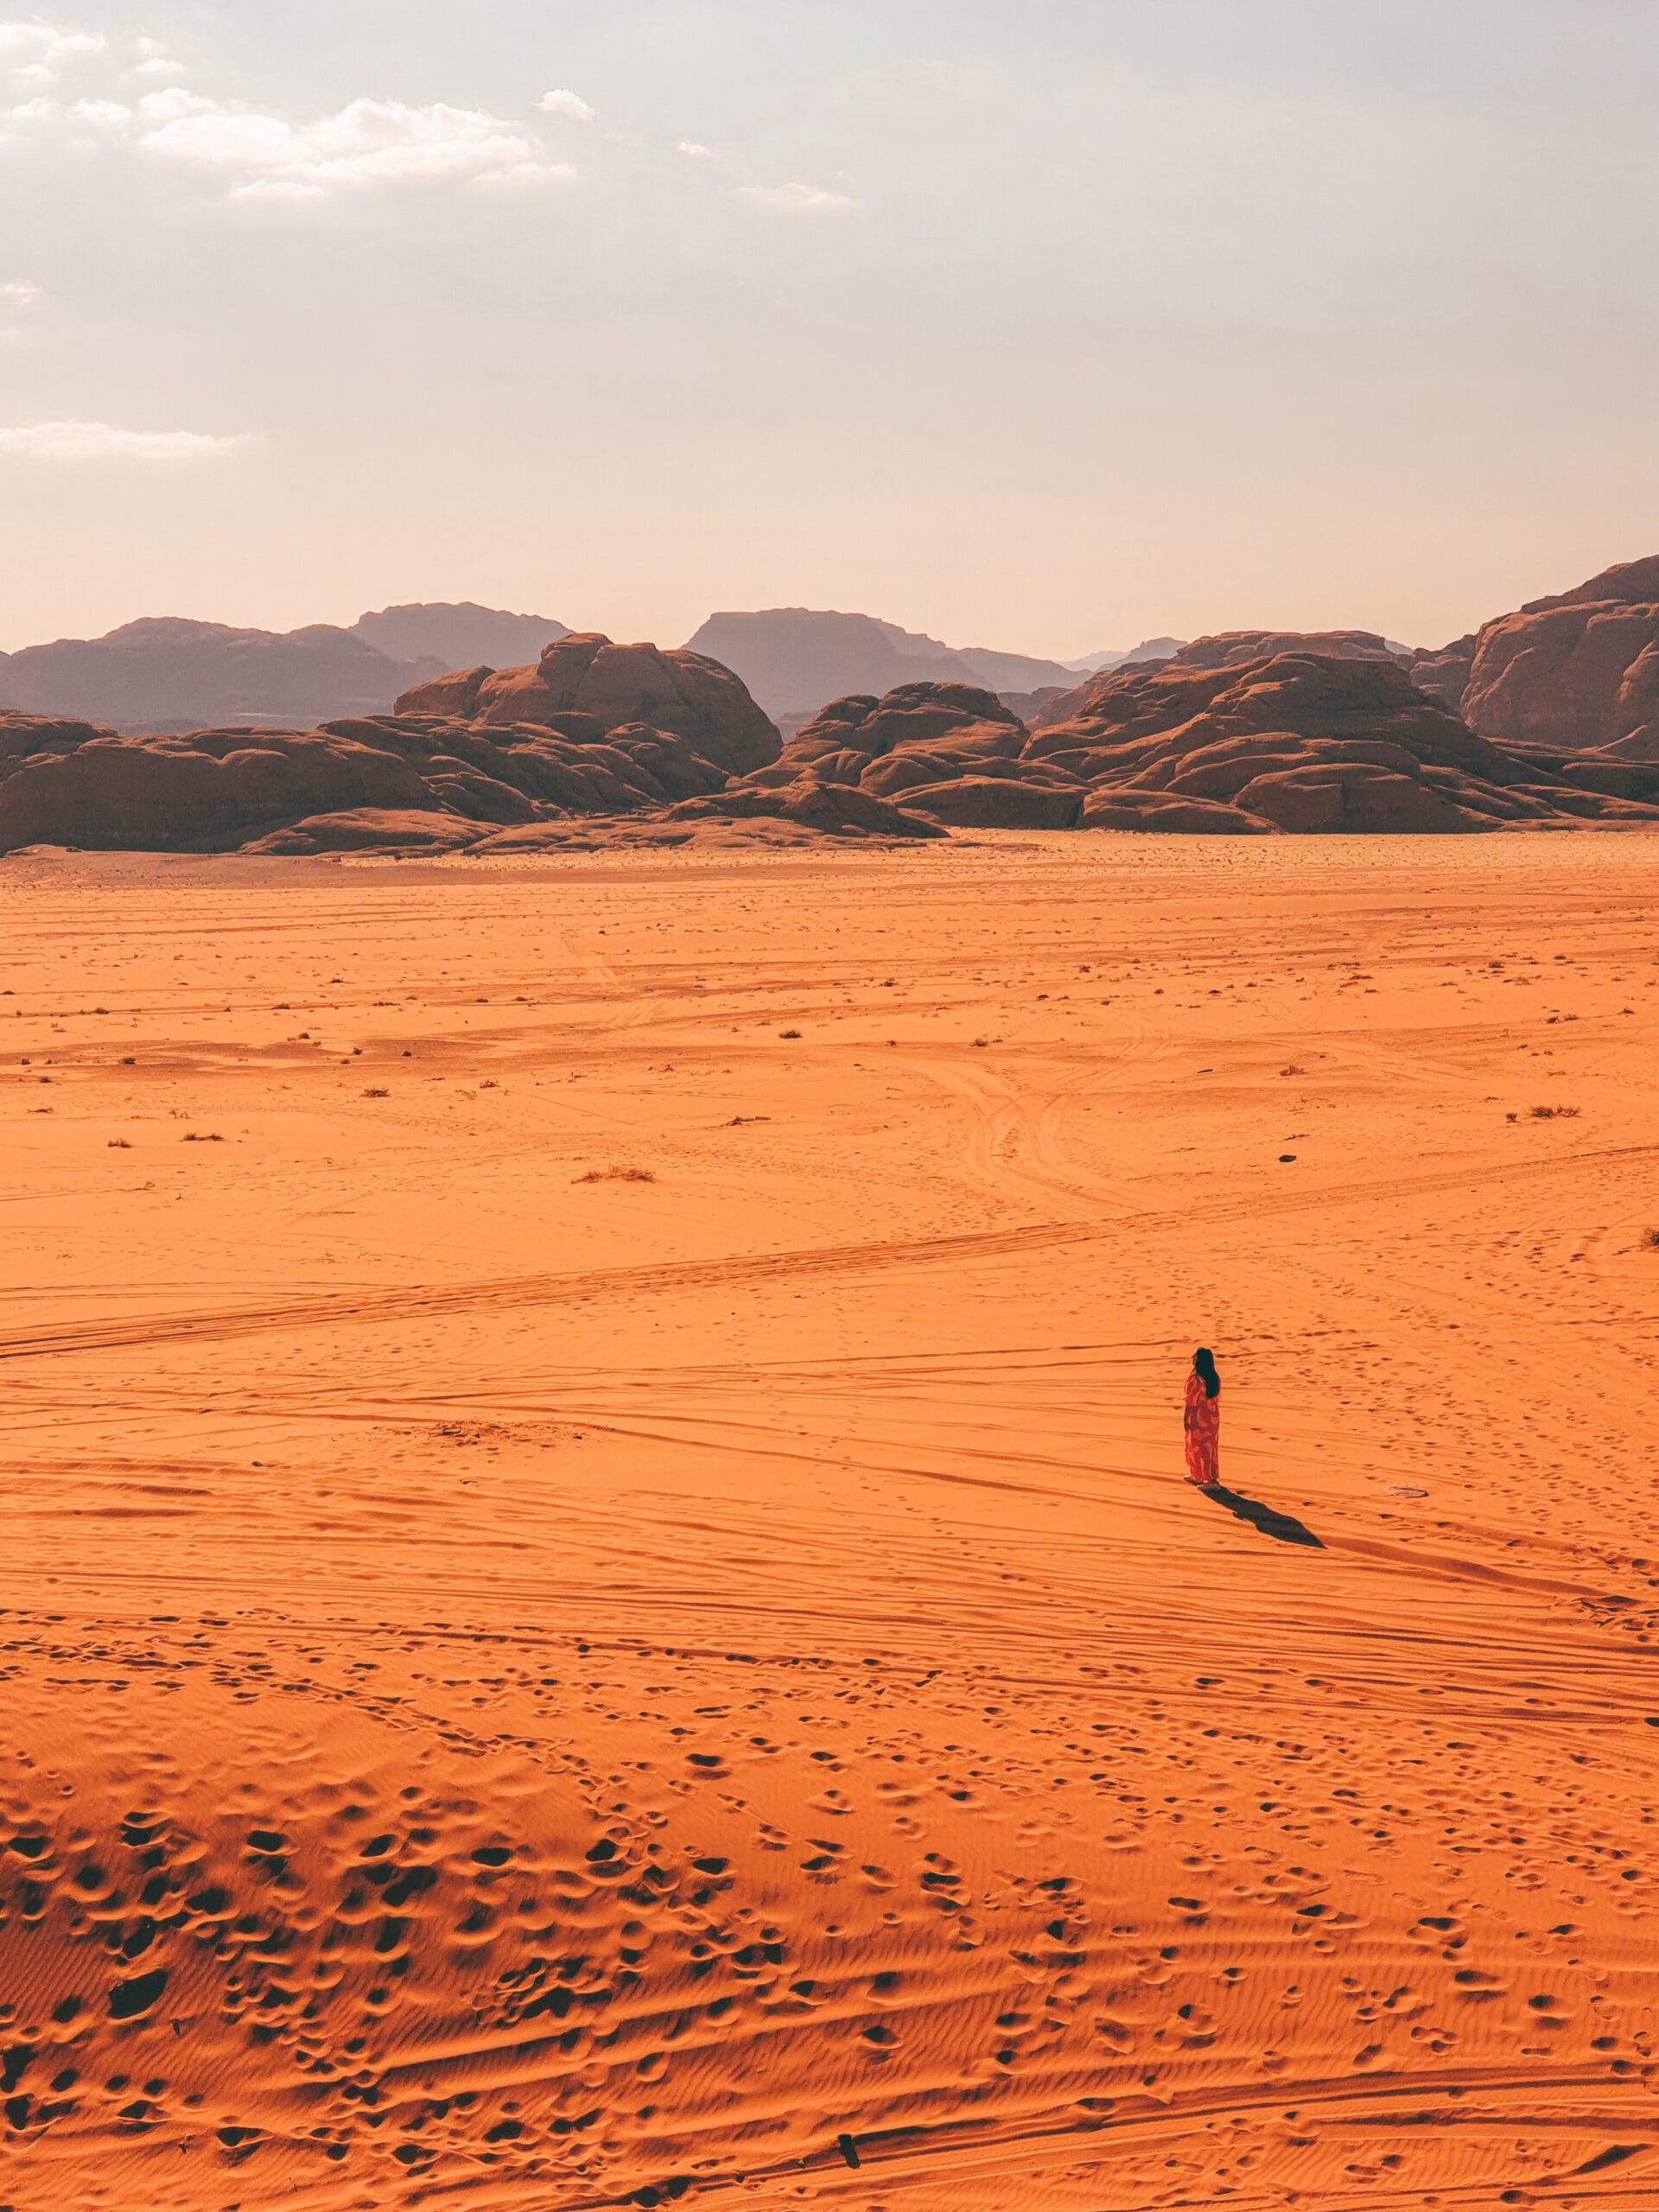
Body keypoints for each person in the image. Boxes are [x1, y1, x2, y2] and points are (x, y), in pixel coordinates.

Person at [1183, 1347, 1221, 1487]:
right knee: (1210, 1446)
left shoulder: (1195, 1379)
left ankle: (1210, 1480)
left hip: (1199, 1416)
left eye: (1194, 1355)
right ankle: (1198, 1475)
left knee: (1199, 1446)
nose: (1191, 1357)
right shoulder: (1213, 1376)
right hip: (1213, 1416)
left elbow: (1190, 1401)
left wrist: (1185, 1418)